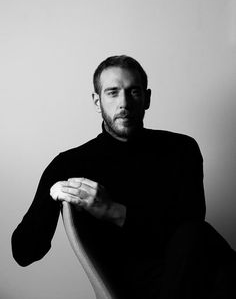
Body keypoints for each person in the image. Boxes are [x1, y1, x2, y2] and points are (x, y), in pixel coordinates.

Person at [12, 55, 235, 298]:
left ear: (147, 98)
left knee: (201, 242)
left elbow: (191, 230)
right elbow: (24, 252)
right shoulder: (69, 164)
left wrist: (112, 210)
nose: (124, 103)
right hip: (131, 289)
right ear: (97, 101)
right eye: (112, 92)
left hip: (192, 273)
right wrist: (50, 196)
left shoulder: (181, 149)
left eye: (134, 92)